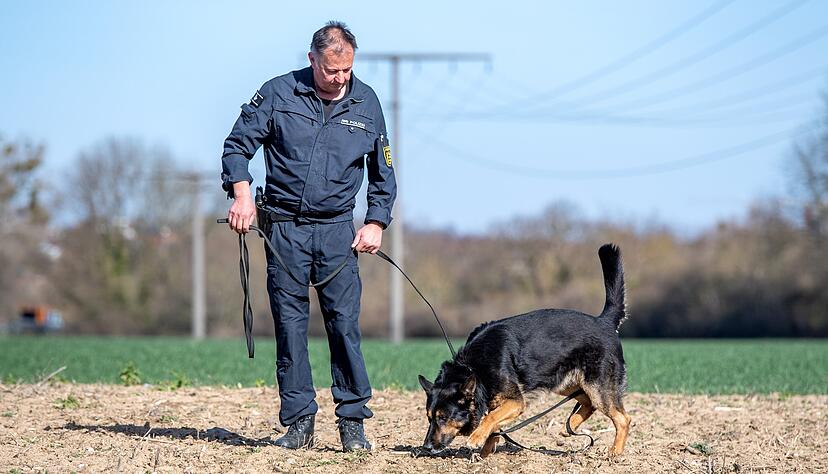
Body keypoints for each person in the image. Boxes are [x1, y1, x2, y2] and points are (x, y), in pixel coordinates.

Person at [220, 21, 396, 451]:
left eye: (347, 70)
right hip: (285, 231)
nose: (340, 79)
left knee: (344, 327)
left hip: (338, 231)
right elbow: (236, 147)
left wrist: (375, 222)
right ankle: (298, 423)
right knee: (291, 327)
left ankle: (353, 422)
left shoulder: (367, 102)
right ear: (312, 59)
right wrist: (242, 195)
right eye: (332, 70)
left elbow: (383, 174)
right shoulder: (278, 93)